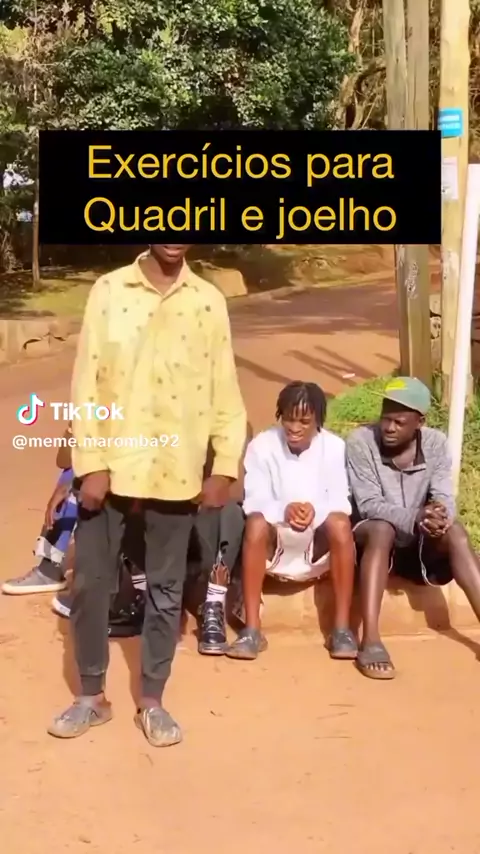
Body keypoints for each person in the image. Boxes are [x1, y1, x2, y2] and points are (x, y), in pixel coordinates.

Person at [48, 244, 246, 747]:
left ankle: (152, 701)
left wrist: (225, 465)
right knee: (90, 584)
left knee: (166, 590)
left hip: (176, 472)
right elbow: (86, 384)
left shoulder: (207, 302)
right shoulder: (109, 291)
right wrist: (91, 463)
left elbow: (224, 388)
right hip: (111, 470)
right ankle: (91, 696)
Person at [346, 376, 480, 680]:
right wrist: (415, 518)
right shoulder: (361, 442)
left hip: (419, 542)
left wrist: (439, 516)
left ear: (420, 422)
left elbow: (444, 495)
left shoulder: (435, 443)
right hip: (374, 544)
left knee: (456, 532)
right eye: (385, 418)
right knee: (381, 529)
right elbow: (368, 504)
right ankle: (370, 641)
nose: (389, 427)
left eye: (399, 422)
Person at [226, 381, 357, 661]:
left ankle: (342, 630)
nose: (294, 428)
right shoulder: (262, 445)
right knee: (256, 523)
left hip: (317, 547)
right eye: (288, 419)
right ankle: (252, 631)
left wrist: (314, 511)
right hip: (275, 545)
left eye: (304, 422)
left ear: (318, 420)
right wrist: (283, 511)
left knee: (340, 523)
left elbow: (341, 500)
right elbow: (254, 500)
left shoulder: (335, 447)